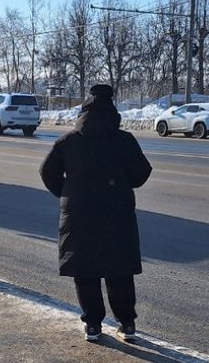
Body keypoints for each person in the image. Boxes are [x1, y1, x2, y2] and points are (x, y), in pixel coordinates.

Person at [40, 84, 153, 342]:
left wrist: (68, 193)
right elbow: (141, 174)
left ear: (83, 112)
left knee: (85, 269)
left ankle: (92, 325)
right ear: (113, 111)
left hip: (79, 213)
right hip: (116, 212)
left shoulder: (68, 141)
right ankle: (127, 324)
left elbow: (47, 172)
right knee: (119, 269)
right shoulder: (125, 141)